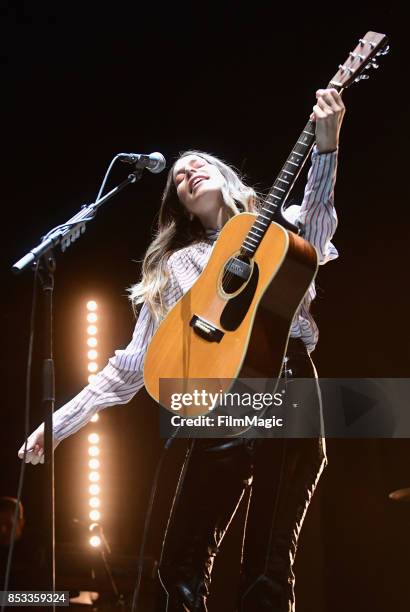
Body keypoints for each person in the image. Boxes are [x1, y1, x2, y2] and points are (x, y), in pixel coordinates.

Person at [19, 88, 345, 611]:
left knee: (265, 567)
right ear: (181, 207)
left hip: (285, 383)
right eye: (177, 178)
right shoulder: (175, 266)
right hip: (216, 402)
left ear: (226, 178)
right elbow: (129, 367)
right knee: (177, 569)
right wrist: (58, 424)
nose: (186, 172)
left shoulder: (279, 226)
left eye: (199, 166)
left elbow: (320, 224)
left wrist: (326, 149)